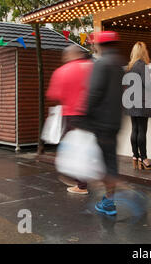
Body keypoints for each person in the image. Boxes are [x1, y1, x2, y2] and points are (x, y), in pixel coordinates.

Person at [85, 31, 124, 216]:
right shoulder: (119, 64)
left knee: (102, 163)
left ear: (101, 45)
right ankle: (109, 200)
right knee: (110, 161)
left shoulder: (101, 64)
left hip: (101, 122)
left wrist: (84, 115)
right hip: (115, 121)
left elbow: (94, 93)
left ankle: (109, 200)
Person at [46, 45, 93, 195]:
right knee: (86, 147)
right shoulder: (91, 67)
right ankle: (83, 180)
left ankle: (79, 183)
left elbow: (53, 95)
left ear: (69, 55)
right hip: (90, 113)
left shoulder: (63, 71)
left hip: (71, 114)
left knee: (71, 147)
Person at [125, 42, 151, 170]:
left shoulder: (130, 66)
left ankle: (135, 156)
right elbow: (147, 85)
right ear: (143, 52)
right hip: (141, 101)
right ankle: (144, 158)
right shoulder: (143, 66)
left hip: (131, 101)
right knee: (142, 130)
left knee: (134, 129)